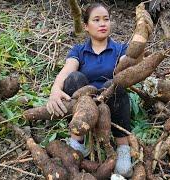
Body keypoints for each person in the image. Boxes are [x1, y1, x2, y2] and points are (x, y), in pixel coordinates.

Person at [46, 3, 132, 177]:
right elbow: (67, 71)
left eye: (106, 19)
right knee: (74, 78)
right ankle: (77, 141)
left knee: (116, 84)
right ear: (86, 26)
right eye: (97, 20)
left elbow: (129, 66)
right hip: (84, 103)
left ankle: (123, 147)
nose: (103, 24)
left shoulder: (120, 49)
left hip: (110, 101)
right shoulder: (79, 50)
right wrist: (55, 90)